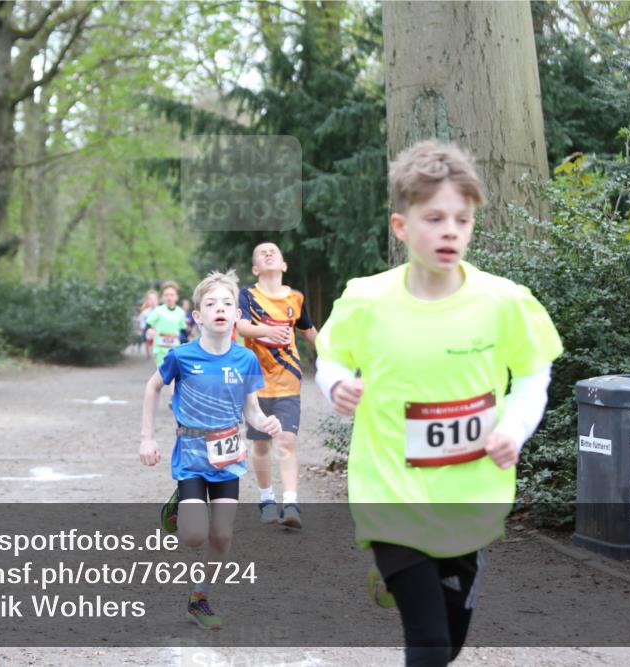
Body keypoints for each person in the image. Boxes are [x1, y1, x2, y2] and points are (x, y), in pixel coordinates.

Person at [315, 140, 562, 666]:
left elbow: (535, 374)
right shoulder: (367, 299)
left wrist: (514, 430)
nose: (450, 230)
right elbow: (329, 357)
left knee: (449, 643)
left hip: (468, 496)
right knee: (426, 645)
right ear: (402, 226)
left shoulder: (504, 303)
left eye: (462, 218)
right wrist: (336, 385)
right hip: (390, 493)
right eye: (434, 218)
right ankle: (400, 570)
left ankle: (405, 579)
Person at [139, 270, 281, 631]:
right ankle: (179, 503)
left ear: (237, 316)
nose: (220, 308)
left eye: (228, 303)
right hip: (190, 457)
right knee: (193, 536)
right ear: (198, 316)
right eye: (211, 303)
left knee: (222, 536)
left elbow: (252, 408)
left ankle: (200, 597)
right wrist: (147, 438)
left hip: (228, 458)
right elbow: (152, 387)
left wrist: (265, 422)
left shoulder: (246, 360)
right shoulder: (182, 356)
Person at [235, 242, 317, 528]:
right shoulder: (247, 295)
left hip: (288, 381)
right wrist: (267, 330)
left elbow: (309, 332)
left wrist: (336, 357)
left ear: (283, 265)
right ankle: (266, 498)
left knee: (287, 440)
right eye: (262, 252)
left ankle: (291, 503)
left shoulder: (295, 298)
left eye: (275, 252)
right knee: (260, 445)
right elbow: (242, 327)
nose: (269, 253)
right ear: (256, 268)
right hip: (255, 382)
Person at [145, 281, 188, 367]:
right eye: (166, 295)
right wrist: (149, 330)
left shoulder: (180, 312)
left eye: (172, 295)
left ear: (176, 297)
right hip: (160, 350)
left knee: (174, 376)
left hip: (175, 350)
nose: (169, 297)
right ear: (163, 297)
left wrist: (185, 347)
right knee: (162, 376)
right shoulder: (158, 311)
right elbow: (148, 325)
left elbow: (183, 332)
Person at [138, 290, 159, 360]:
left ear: (157, 300)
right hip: (149, 334)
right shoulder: (145, 313)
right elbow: (142, 323)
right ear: (147, 301)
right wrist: (147, 329)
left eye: (154, 299)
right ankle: (148, 353)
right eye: (150, 299)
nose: (152, 301)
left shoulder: (162, 310)